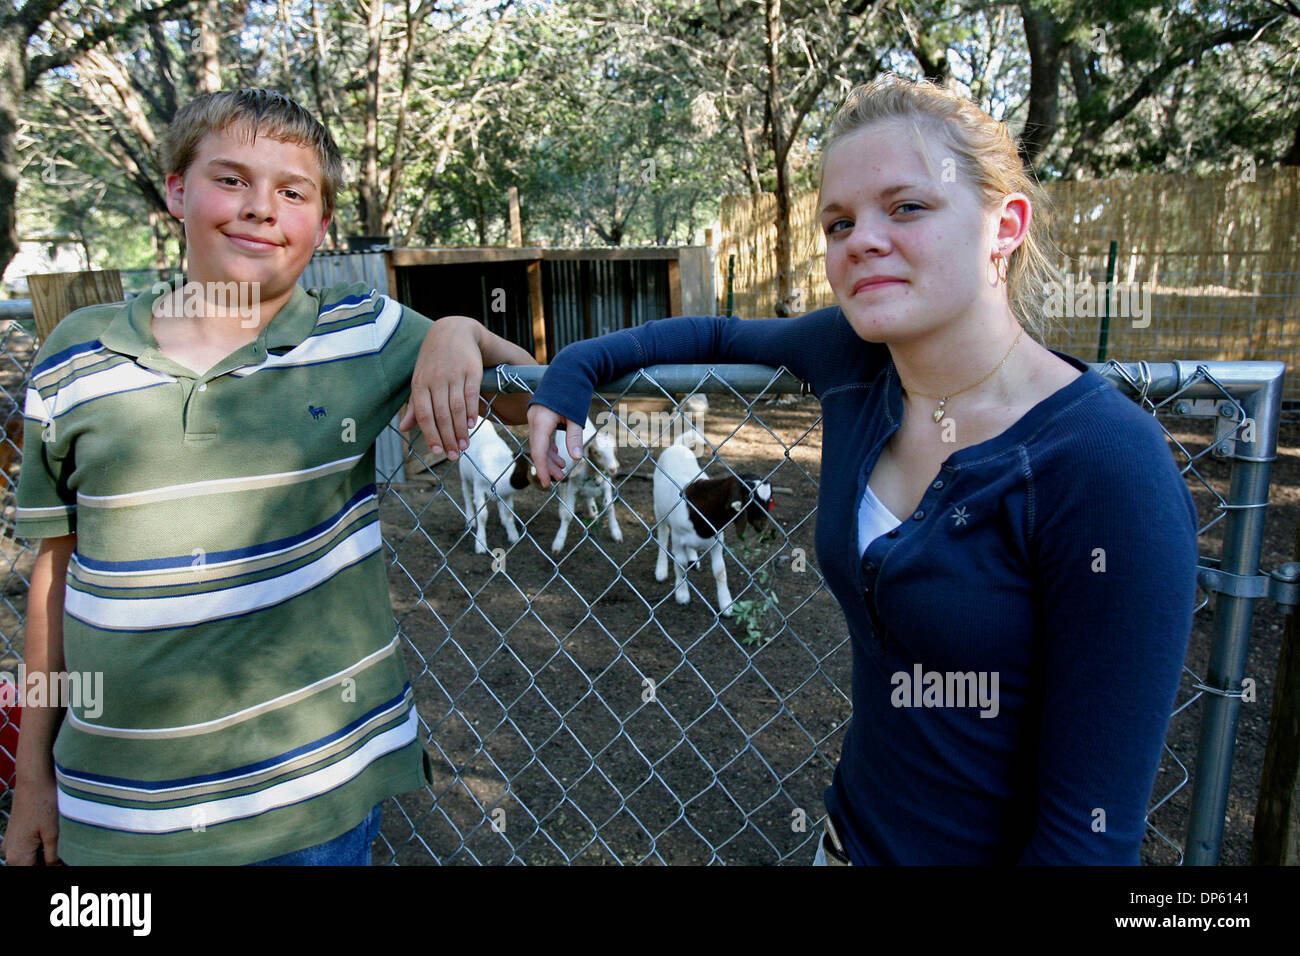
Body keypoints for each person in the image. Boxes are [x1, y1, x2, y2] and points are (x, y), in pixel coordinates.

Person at [523, 75, 1200, 864]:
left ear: (1003, 227)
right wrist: (572, 368)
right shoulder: (852, 359)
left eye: (907, 207)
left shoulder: (1109, 468)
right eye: (838, 221)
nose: (862, 240)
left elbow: (1089, 840)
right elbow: (711, 333)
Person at [3, 88, 534, 865]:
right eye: (231, 180)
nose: (260, 209)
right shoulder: (77, 355)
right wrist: (30, 783)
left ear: (320, 227)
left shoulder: (364, 333)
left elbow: (530, 396)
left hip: (309, 807)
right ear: (177, 191)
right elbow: (53, 577)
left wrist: (462, 331)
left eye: (292, 192)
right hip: (116, 811)